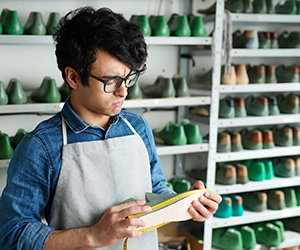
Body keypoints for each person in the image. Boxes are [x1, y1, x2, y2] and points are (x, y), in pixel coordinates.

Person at [0, 6, 221, 250]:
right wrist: (94, 236)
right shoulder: (41, 146)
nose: (123, 91)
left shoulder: (137, 127)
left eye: (128, 78)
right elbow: (12, 232)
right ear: (73, 77)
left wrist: (184, 204)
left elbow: (154, 190)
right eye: (111, 81)